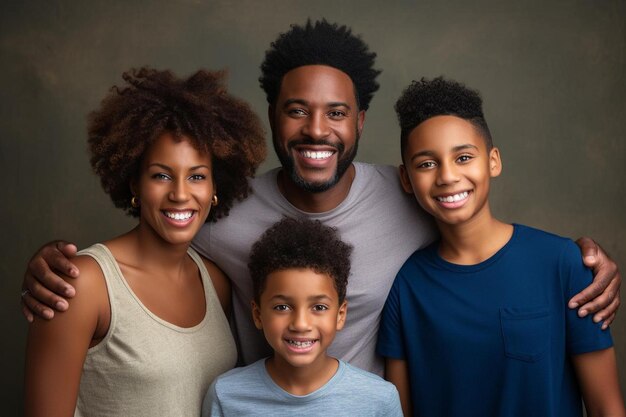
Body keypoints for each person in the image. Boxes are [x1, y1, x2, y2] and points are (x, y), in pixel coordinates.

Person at [21, 20, 621, 376]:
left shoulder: (411, 192)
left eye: (336, 113)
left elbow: (486, 234)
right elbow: (148, 246)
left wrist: (581, 260)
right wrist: (56, 263)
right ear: (273, 119)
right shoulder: (218, 210)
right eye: (296, 110)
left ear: (359, 122)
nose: (316, 130)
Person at [24, 68, 266, 416]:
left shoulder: (215, 282)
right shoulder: (85, 284)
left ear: (215, 188)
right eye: (161, 175)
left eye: (197, 176)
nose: (181, 194)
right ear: (134, 183)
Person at [377, 77, 625, 417]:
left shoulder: (563, 264)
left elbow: (606, 408)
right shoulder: (407, 287)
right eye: (426, 164)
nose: (447, 176)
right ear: (406, 179)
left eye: (463, 157)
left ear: (493, 161)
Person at [203, 217, 402, 416]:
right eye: (282, 307)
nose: (300, 324)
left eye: (319, 307)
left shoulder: (379, 400)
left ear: (340, 315)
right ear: (258, 314)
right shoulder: (226, 395)